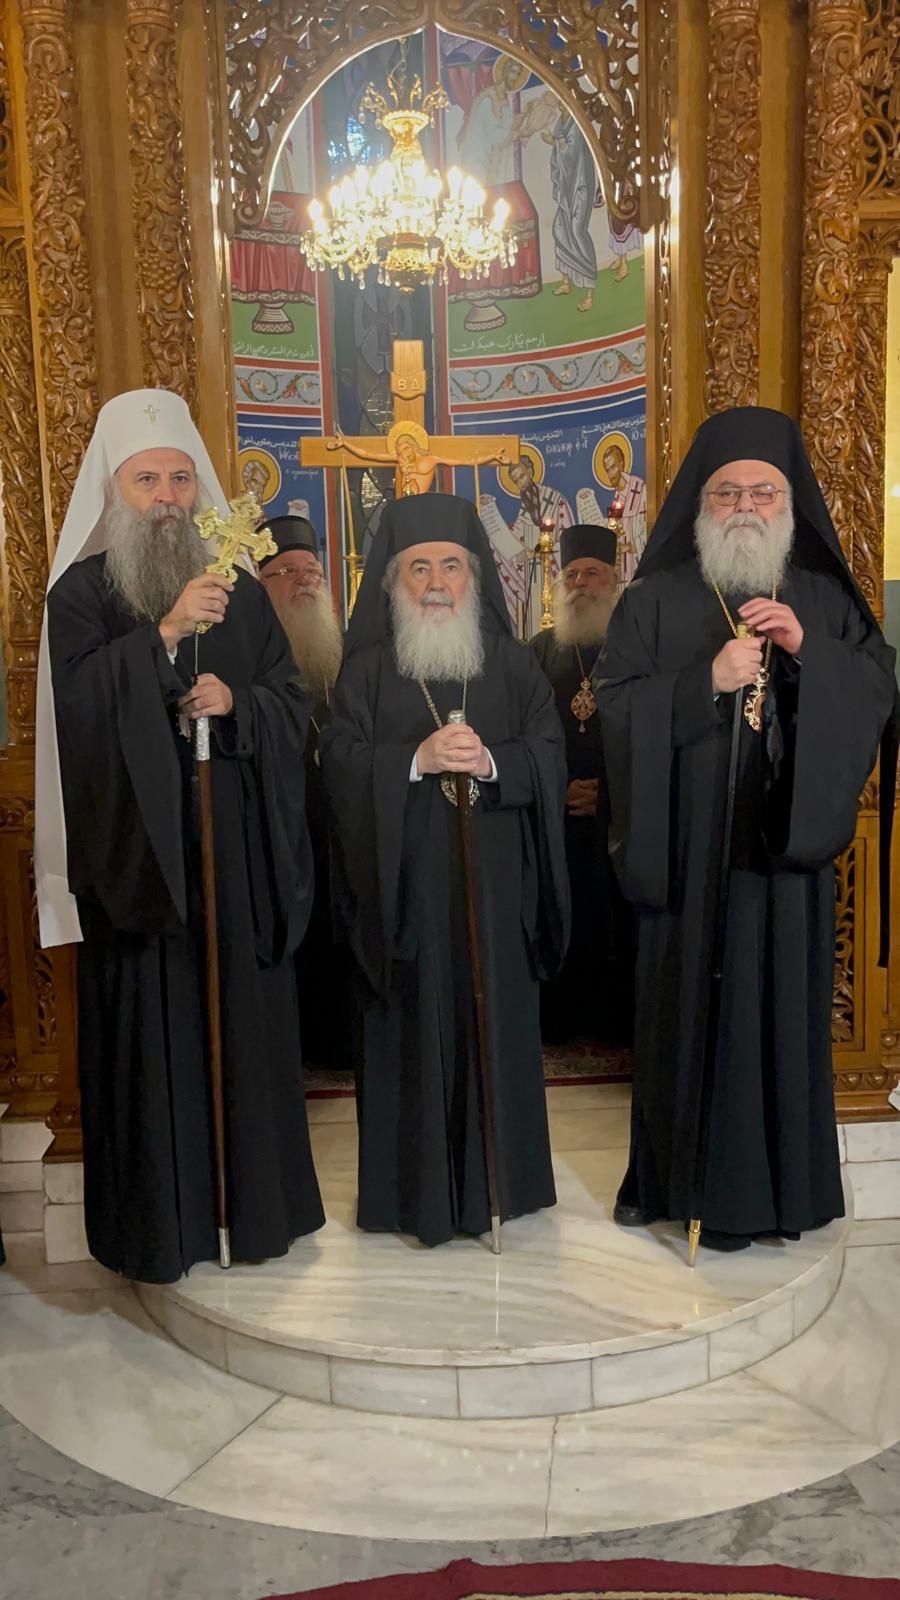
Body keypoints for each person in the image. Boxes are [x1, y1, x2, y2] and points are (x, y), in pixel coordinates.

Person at [34, 388, 324, 1283]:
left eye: (181, 479)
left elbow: (291, 701)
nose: (167, 498)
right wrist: (161, 638)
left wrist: (236, 704)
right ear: (115, 490)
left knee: (242, 1032)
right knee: (155, 1046)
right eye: (148, 480)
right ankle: (164, 1228)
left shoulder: (239, 592)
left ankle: (256, 1213)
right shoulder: (81, 594)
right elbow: (80, 714)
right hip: (141, 875)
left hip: (231, 859)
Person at [597, 406, 897, 1251]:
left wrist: (809, 654)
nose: (744, 508)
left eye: (763, 493)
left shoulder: (823, 598)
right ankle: (670, 1183)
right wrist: (702, 685)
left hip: (782, 859)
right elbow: (614, 707)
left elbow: (879, 688)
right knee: (682, 1013)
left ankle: (783, 1193)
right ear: (701, 504)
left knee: (777, 1015)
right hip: (688, 855)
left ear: (788, 505)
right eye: (727, 493)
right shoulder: (655, 599)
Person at [319, 494, 570, 1246]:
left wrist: (492, 761)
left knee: (496, 1029)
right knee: (409, 1032)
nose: (436, 583)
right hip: (405, 899)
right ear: (392, 582)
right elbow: (337, 763)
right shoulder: (366, 673)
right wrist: (413, 761)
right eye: (419, 567)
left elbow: (550, 754)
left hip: (494, 896)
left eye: (452, 566)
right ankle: (412, 1197)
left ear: (474, 577)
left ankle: (504, 1186)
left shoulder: (515, 666)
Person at [530, 525, 632, 1046]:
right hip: (556, 818)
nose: (580, 584)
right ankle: (559, 1021)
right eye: (570, 574)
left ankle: (614, 1024)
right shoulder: (537, 652)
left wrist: (608, 793)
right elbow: (524, 736)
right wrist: (558, 790)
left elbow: (648, 732)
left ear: (614, 582)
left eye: (592, 573)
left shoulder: (635, 647)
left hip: (619, 822)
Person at [257, 513, 348, 1072]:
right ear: (260, 585)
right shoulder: (251, 655)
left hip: (344, 831)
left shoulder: (344, 659)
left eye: (312, 571)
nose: (304, 581)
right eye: (287, 571)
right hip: (282, 832)